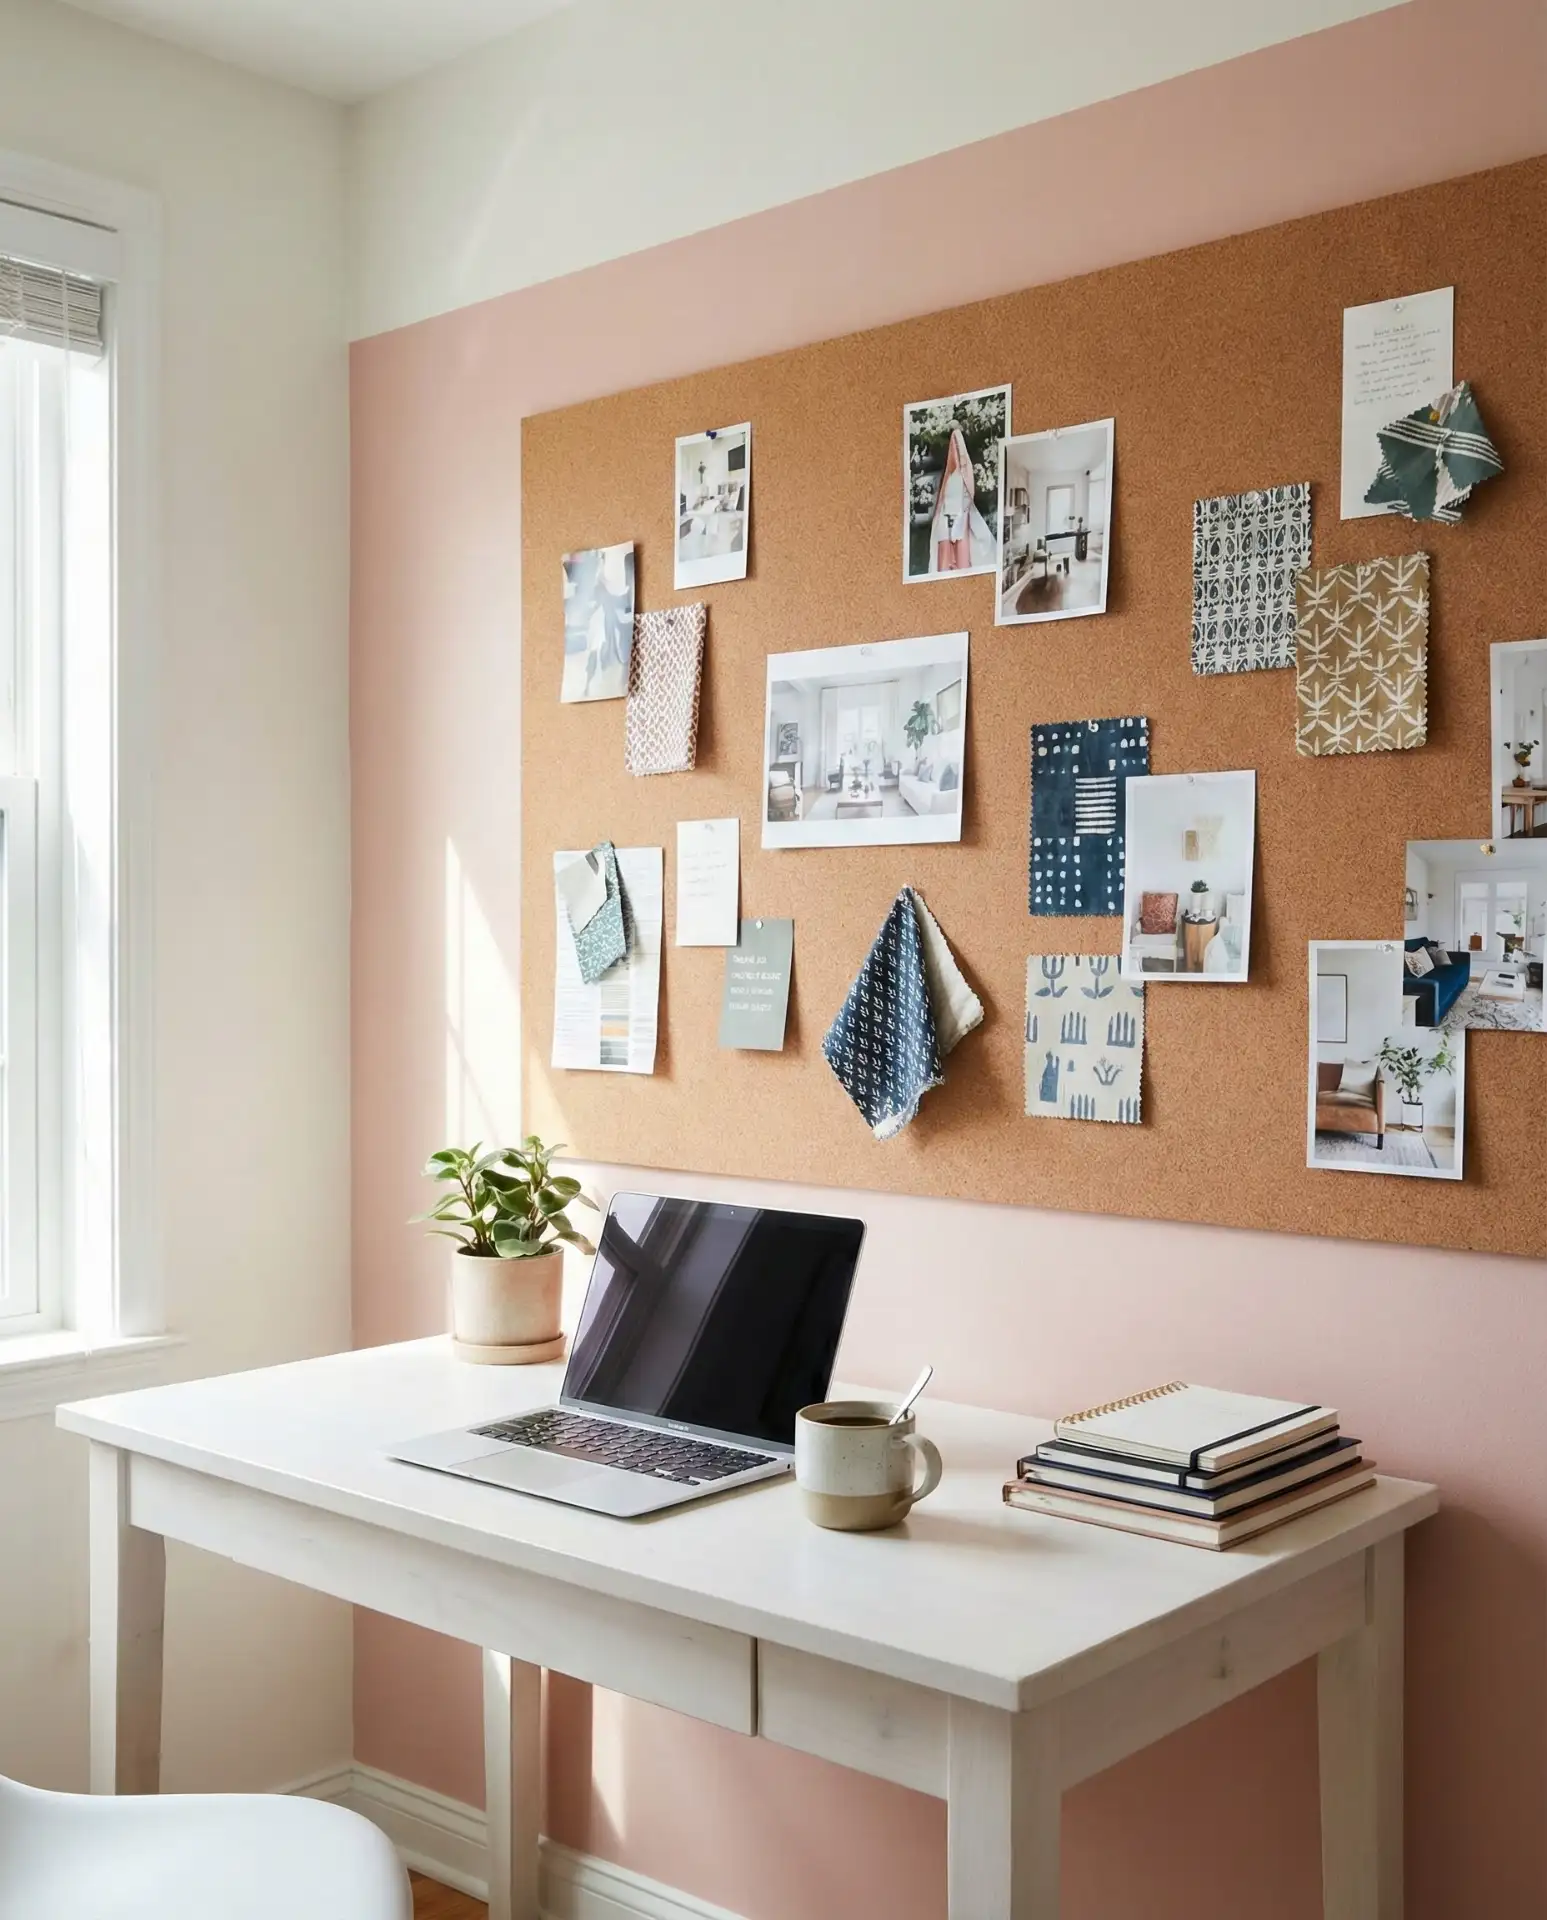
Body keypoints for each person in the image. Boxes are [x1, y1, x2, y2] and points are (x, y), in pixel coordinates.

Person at [929, 426, 994, 572]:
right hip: (946, 523)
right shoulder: (951, 477)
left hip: (960, 521)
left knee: (961, 560)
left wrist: (958, 525)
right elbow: (945, 501)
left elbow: (965, 502)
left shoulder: (963, 476)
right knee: (944, 562)